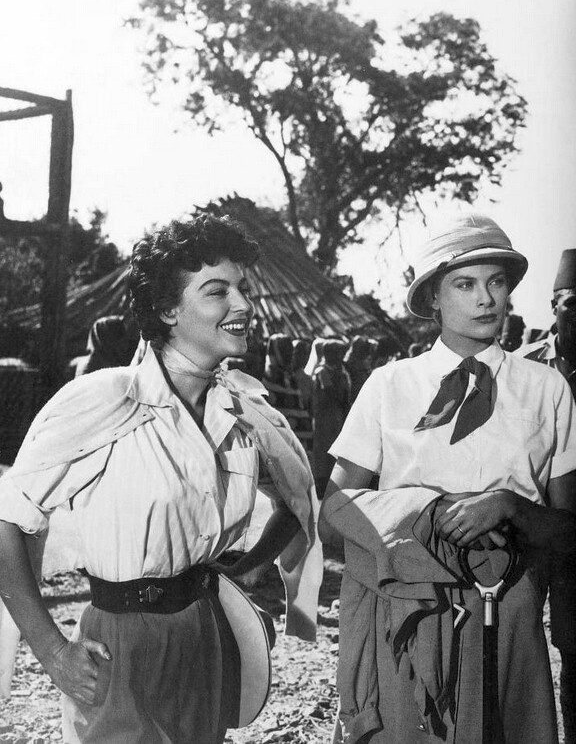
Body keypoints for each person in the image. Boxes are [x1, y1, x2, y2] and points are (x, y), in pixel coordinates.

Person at [0, 214, 322, 744]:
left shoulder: (245, 415)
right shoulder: (106, 400)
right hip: (120, 644)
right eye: (217, 291)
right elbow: (8, 520)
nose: (243, 305)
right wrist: (54, 652)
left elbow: (297, 502)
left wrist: (243, 575)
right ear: (168, 310)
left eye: (243, 289)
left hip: (206, 632)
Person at [320, 213, 576, 744]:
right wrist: (427, 513)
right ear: (433, 297)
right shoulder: (388, 385)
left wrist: (511, 506)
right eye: (465, 284)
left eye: (496, 282)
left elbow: (569, 530)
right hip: (412, 607)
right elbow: (334, 513)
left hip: (509, 603)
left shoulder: (547, 388)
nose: (486, 299)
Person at [516, 247, 576, 742]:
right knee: (522, 646)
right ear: (553, 305)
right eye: (572, 304)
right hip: (534, 529)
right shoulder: (524, 369)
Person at [312, 338, 351, 498]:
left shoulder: (341, 372)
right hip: (325, 416)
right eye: (337, 353)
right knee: (324, 448)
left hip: (337, 415)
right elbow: (330, 392)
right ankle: (321, 482)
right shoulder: (322, 371)